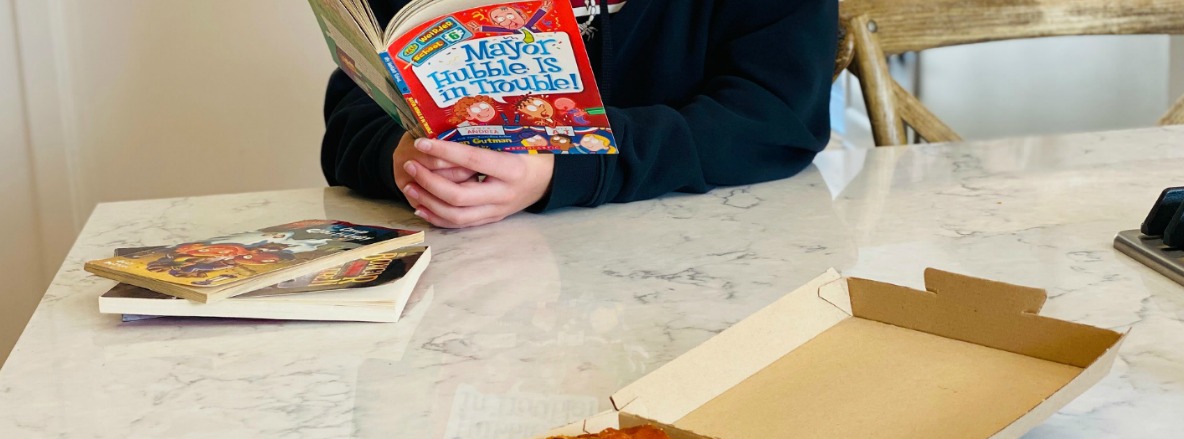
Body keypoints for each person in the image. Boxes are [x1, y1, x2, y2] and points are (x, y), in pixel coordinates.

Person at [322, 0, 838, 229]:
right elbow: (354, 110)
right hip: (465, 286)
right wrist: (404, 159)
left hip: (720, 261)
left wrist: (563, 167)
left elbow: (776, 121)